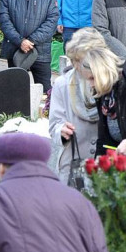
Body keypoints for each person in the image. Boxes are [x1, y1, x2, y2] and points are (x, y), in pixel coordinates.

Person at [48, 29, 104, 182]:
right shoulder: (63, 84)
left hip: (105, 164)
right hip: (74, 163)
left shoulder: (110, 81)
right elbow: (55, 125)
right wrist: (62, 130)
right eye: (77, 61)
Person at [0, 0, 59, 88]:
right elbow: (4, 20)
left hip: (40, 51)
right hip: (16, 50)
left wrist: (31, 41)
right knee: (15, 91)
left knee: (45, 92)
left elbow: (52, 21)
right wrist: (20, 41)